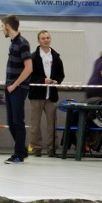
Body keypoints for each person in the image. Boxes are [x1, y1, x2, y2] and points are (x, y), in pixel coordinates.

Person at [28, 30, 65, 158]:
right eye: (43, 38)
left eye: (48, 38)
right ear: (38, 41)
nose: (46, 40)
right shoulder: (32, 57)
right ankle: (36, 148)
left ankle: (52, 148)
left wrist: (56, 81)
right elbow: (28, 76)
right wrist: (42, 81)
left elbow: (61, 75)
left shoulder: (56, 57)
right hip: (36, 95)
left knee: (52, 123)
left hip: (51, 95)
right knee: (35, 124)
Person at [1, 15, 33, 164]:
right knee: (11, 121)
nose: (2, 29)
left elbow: (29, 68)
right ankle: (22, 149)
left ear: (7, 26)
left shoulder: (22, 43)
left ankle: (19, 154)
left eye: (2, 26)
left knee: (17, 121)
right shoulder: (13, 43)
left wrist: (14, 85)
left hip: (18, 88)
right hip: (10, 87)